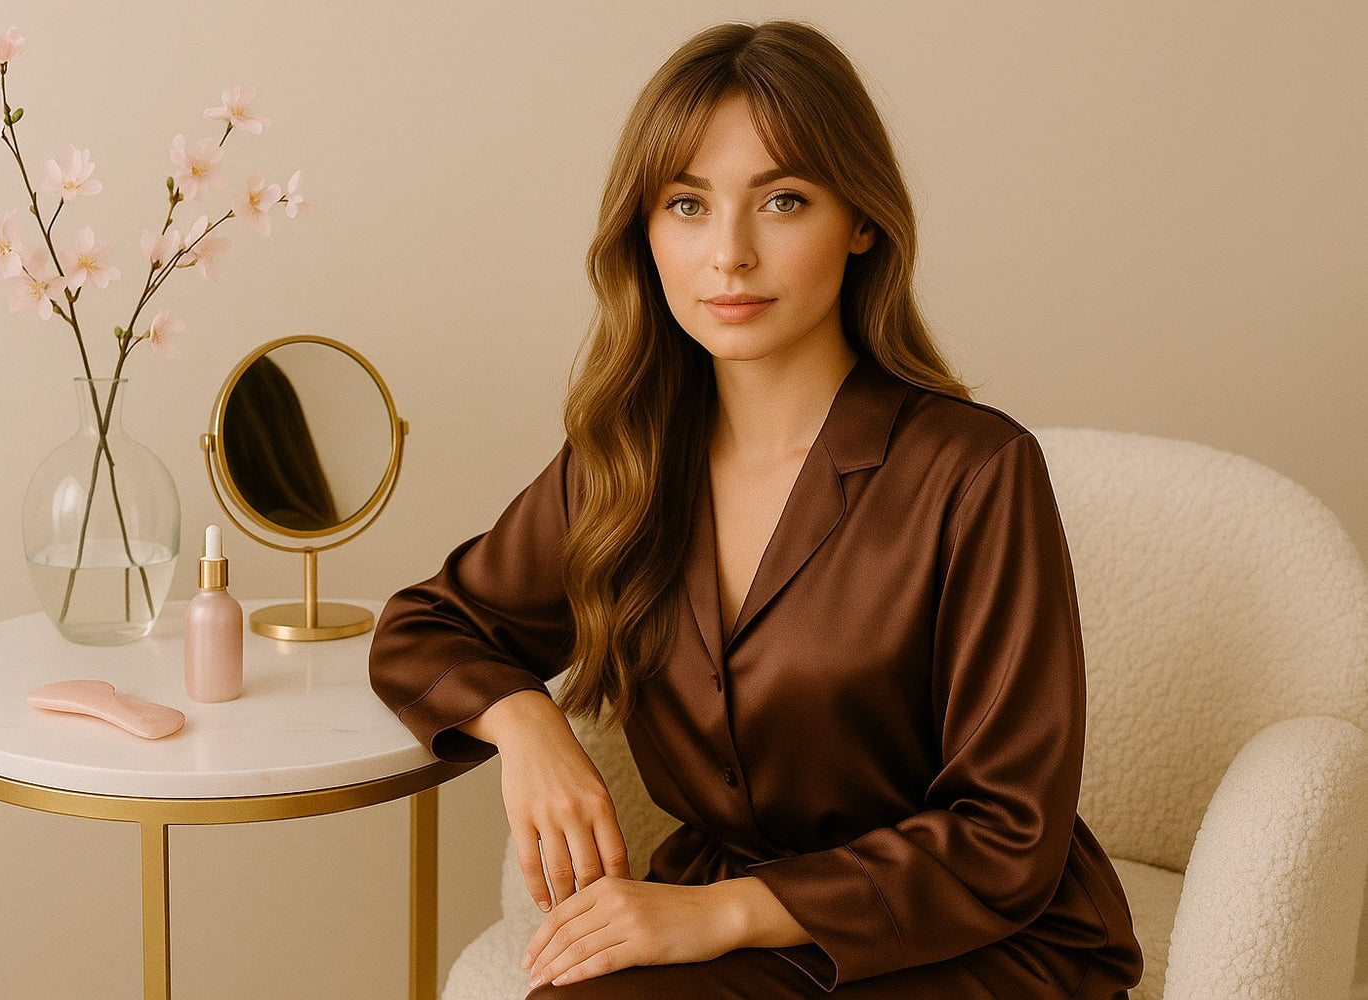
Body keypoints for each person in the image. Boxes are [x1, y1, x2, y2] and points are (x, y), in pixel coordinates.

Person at [369, 20, 1143, 1000]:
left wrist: (717, 913)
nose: (729, 254)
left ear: (860, 219)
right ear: (644, 235)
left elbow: (1008, 835)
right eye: (687, 204)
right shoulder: (627, 464)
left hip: (971, 941)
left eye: (782, 200)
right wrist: (528, 725)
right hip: (733, 931)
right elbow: (426, 626)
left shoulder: (977, 472)